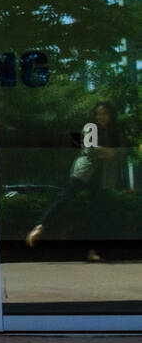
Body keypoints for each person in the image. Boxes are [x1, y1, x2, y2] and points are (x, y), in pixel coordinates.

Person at [26, 100, 129, 261]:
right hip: (84, 172)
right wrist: (112, 151)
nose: (101, 116)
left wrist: (110, 151)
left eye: (104, 113)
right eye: (98, 113)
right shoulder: (90, 128)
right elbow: (92, 151)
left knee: (96, 213)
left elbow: (123, 151)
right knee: (64, 198)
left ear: (110, 114)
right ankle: (39, 226)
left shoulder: (116, 131)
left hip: (103, 176)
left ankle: (91, 251)